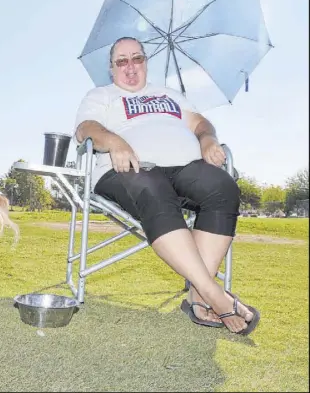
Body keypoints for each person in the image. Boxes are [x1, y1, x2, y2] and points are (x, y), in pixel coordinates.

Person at [73, 36, 260, 335]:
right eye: (122, 61)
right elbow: (86, 129)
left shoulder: (170, 95)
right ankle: (214, 295)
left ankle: (199, 296)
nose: (130, 66)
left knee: (223, 188)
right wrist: (115, 142)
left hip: (186, 168)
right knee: (153, 189)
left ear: (146, 62)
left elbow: (201, 123)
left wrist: (207, 139)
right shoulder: (102, 95)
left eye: (137, 58)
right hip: (130, 168)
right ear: (111, 69)